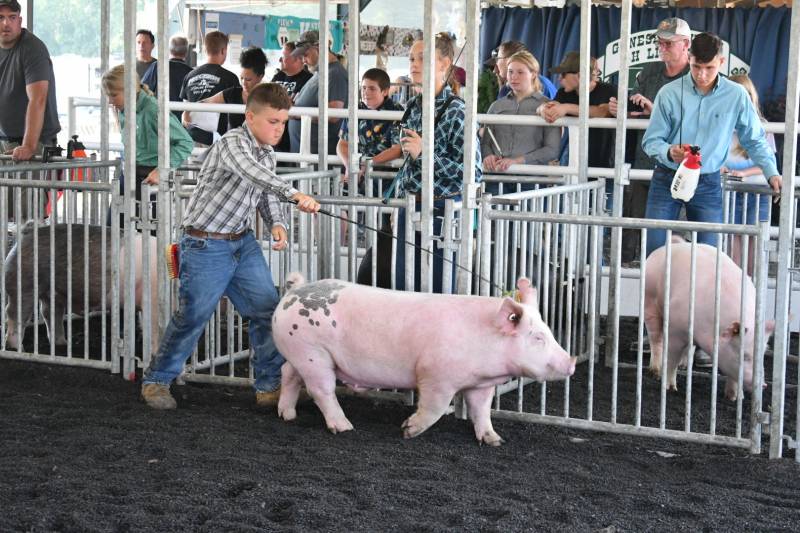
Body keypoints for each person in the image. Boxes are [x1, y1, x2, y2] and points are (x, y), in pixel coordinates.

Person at [140, 83, 321, 410]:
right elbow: (254, 175)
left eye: (282, 122)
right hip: (204, 243)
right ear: (250, 117)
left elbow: (264, 191)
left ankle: (268, 385)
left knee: (267, 311)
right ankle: (157, 380)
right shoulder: (232, 144)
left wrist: (277, 222)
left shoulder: (266, 150)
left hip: (241, 241)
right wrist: (294, 194)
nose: (279, 129)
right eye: (272, 122)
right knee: (193, 315)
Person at [641, 32, 781, 257]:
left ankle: (698, 293)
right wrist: (668, 151)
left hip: (708, 179)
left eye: (709, 68)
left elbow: (754, 138)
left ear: (721, 63)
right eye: (696, 67)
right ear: (689, 58)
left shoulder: (736, 95)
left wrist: (771, 171)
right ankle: (658, 292)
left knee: (710, 253)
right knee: (654, 248)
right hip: (668, 175)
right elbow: (650, 140)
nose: (702, 74)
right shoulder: (668, 93)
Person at [389, 33, 482, 293]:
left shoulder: (457, 111)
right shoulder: (412, 106)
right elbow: (409, 162)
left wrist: (426, 155)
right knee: (404, 288)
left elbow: (473, 170)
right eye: (411, 58)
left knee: (441, 290)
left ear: (444, 64)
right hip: (409, 206)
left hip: (443, 211)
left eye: (423, 58)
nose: (414, 64)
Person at [609, 17, 692, 264]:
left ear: (686, 43)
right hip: (646, 161)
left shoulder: (696, 76)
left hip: (681, 167)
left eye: (669, 43)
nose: (662, 47)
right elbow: (636, 104)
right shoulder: (650, 72)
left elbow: (695, 119)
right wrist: (622, 109)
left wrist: (654, 110)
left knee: (678, 233)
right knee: (638, 226)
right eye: (660, 42)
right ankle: (638, 274)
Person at [101, 65, 193, 227]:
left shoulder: (153, 110)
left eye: (113, 95)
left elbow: (185, 142)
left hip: (151, 177)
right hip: (129, 173)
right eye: (108, 96)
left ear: (130, 90)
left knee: (149, 236)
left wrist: (162, 169)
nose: (110, 101)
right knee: (113, 229)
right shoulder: (123, 108)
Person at [723, 74, 777, 276]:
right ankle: (736, 297)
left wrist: (744, 173)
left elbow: (770, 164)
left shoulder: (763, 125)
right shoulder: (721, 125)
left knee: (755, 249)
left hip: (756, 191)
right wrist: (721, 168)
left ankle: (752, 298)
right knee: (733, 250)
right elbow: (712, 155)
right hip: (730, 190)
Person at [482, 50, 560, 189]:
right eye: (510, 72)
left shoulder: (547, 105)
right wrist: (488, 156)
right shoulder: (496, 106)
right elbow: (486, 142)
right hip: (496, 177)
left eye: (520, 72)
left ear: (534, 74)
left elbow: (552, 149)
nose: (513, 77)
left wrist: (518, 161)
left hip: (531, 179)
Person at [0, 0, 60, 162]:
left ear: (19, 21)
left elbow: (38, 99)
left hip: (36, 142)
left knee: (29, 187)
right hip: (4, 139)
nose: (6, 23)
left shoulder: (32, 49)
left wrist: (29, 145)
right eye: (0, 17)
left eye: (12, 17)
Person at [539, 52, 618, 170]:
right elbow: (551, 107)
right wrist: (543, 109)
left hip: (606, 164)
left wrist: (567, 108)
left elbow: (602, 112)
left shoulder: (608, 89)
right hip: (572, 162)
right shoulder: (563, 92)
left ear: (580, 75)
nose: (559, 78)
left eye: (564, 74)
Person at [336, 68, 402, 191]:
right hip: (357, 173)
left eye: (372, 88)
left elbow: (397, 149)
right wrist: (350, 166)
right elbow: (342, 144)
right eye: (364, 88)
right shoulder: (355, 109)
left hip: (385, 177)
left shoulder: (396, 112)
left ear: (385, 91)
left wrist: (367, 164)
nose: (366, 92)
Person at [287, 30, 348, 155]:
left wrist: (297, 114)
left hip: (319, 157)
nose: (303, 60)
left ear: (319, 48)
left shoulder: (335, 74)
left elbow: (333, 114)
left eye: (306, 54)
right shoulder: (321, 72)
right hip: (307, 155)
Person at [180, 31, 240, 146]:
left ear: (205, 50)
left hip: (191, 140)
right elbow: (236, 116)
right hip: (217, 141)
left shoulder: (189, 76)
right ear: (223, 51)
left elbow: (185, 109)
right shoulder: (230, 78)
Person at [200, 46, 268, 131]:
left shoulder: (269, 97)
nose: (243, 83)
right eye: (242, 78)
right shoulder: (233, 93)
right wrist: (188, 111)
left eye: (248, 79)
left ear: (260, 77)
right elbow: (205, 102)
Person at [270, 41, 313, 152]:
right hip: (272, 138)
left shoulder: (308, 80)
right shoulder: (277, 76)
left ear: (297, 58)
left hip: (293, 140)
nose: (280, 60)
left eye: (283, 56)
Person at [140, 34, 193, 120]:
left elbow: (143, 90)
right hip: (183, 123)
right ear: (186, 53)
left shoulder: (157, 66)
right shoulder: (191, 72)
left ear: (169, 50)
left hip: (160, 118)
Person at [491, 41, 557, 100]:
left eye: (498, 59)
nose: (496, 65)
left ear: (510, 59)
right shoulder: (506, 89)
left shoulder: (543, 86)